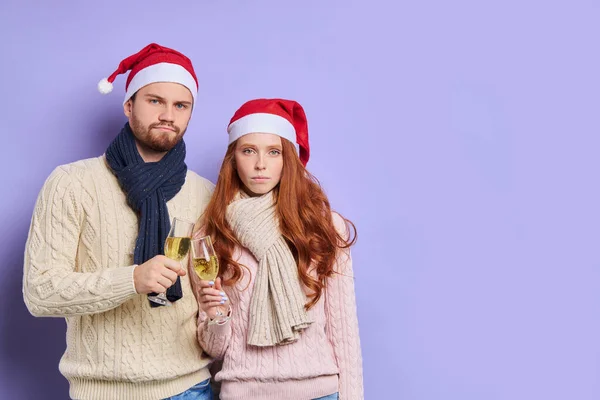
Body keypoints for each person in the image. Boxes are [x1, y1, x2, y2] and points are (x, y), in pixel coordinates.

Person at [22, 43, 215, 400]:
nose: (168, 114)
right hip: (104, 391)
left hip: (191, 388)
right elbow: (40, 293)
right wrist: (132, 279)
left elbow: (212, 296)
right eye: (155, 100)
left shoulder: (205, 193)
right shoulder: (72, 182)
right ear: (129, 106)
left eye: (181, 105)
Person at [190, 98, 364, 399]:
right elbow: (213, 350)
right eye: (248, 151)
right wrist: (218, 316)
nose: (260, 164)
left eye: (274, 152)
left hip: (319, 392)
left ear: (288, 159)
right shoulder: (210, 232)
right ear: (233, 159)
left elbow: (343, 330)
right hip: (243, 391)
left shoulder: (322, 226)